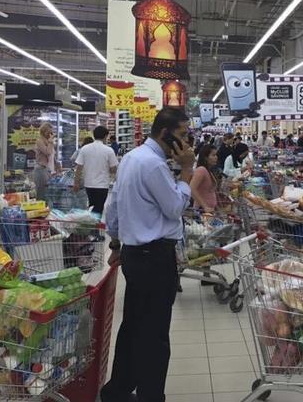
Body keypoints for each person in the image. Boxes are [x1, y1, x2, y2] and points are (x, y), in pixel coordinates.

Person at [101, 107, 195, 402]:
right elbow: (175, 208)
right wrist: (187, 171)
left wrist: (116, 245)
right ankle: (150, 396)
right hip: (154, 259)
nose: (186, 143)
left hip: (134, 256)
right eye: (182, 136)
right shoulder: (154, 166)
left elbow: (112, 208)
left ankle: (116, 391)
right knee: (154, 335)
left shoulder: (131, 157)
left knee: (133, 326)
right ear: (165, 134)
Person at [73, 126, 119, 214]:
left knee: (92, 205)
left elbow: (78, 168)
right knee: (99, 208)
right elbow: (114, 169)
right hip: (102, 185)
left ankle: (91, 224)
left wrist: (76, 183)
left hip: (89, 184)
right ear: (105, 136)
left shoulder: (85, 149)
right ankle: (93, 225)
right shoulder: (109, 150)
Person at [34, 123, 59, 200]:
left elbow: (52, 156)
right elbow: (47, 152)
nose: (51, 134)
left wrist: (57, 166)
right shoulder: (39, 141)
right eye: (49, 132)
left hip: (49, 171)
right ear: (44, 131)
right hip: (41, 169)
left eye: (52, 132)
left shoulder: (48, 141)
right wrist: (51, 142)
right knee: (42, 193)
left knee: (49, 194)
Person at [190, 145, 218, 211]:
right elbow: (191, 188)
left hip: (209, 210)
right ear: (205, 157)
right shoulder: (201, 170)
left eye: (216, 155)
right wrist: (204, 206)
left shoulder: (208, 170)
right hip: (202, 210)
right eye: (213, 155)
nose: (216, 157)